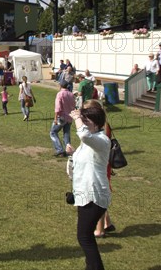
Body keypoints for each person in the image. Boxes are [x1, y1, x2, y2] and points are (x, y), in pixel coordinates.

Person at [66, 102, 111, 270]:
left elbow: (84, 136)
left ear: (97, 123)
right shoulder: (89, 142)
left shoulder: (102, 140)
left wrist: (78, 117)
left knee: (85, 237)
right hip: (84, 194)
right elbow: (76, 167)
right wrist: (71, 155)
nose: (83, 124)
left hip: (95, 195)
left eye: (86, 121)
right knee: (85, 236)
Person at [49, 80, 76, 157]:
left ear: (60, 85)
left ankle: (59, 150)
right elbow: (74, 105)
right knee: (66, 134)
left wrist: (55, 118)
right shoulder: (71, 94)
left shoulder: (60, 94)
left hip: (61, 117)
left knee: (53, 132)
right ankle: (68, 150)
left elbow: (58, 108)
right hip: (69, 117)